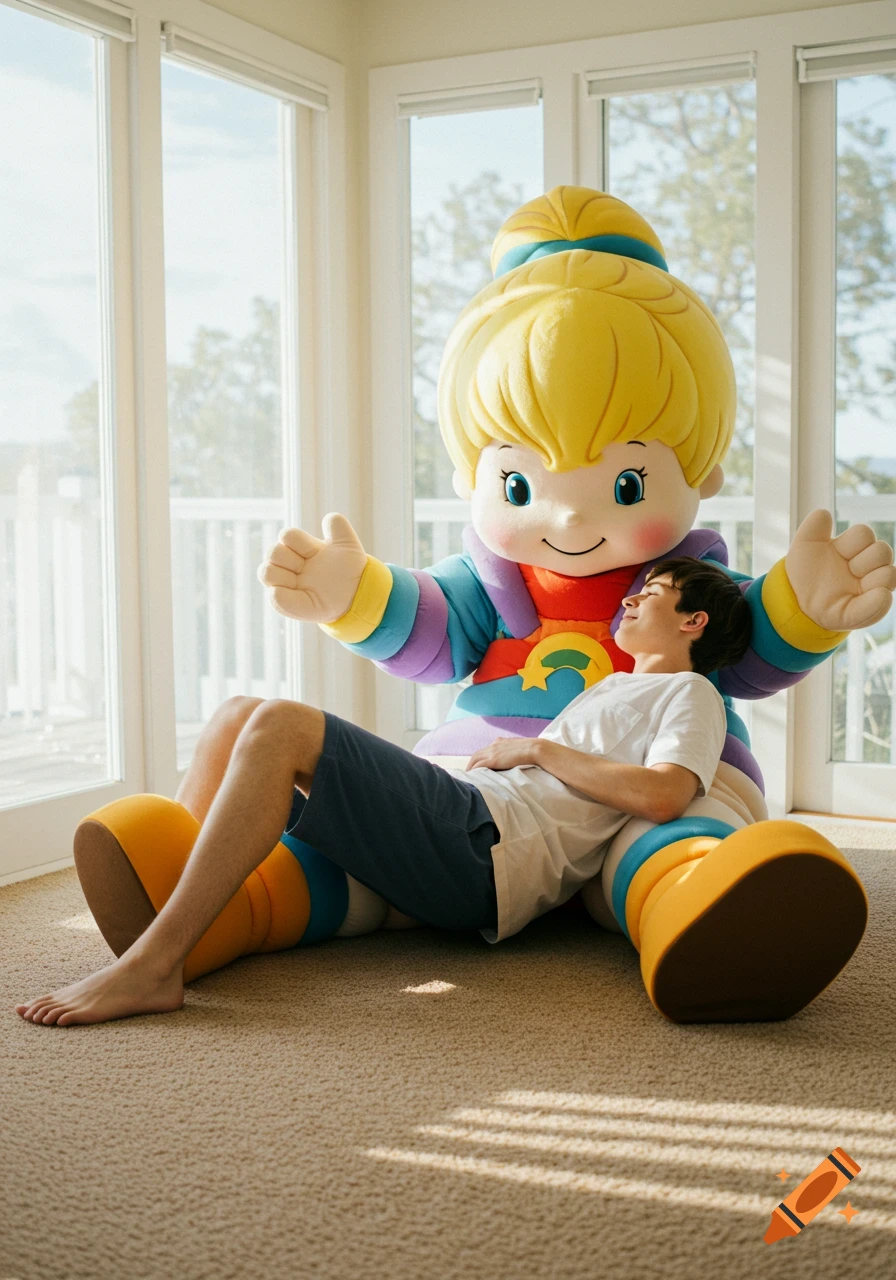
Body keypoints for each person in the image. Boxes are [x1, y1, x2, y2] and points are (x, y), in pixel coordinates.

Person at [16, 556, 749, 1027]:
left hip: (486, 850)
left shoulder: (691, 695)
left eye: (649, 593)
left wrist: (536, 746)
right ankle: (182, 917)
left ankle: (154, 964)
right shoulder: (616, 685)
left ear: (694, 620)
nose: (628, 602)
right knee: (238, 714)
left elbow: (663, 796)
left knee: (280, 725)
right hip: (466, 817)